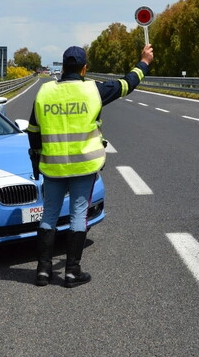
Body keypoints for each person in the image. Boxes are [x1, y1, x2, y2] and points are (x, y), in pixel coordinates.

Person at [27, 44, 154, 287]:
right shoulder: (92, 90)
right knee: (77, 215)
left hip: (52, 167)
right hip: (83, 167)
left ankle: (43, 271)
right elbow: (126, 84)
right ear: (84, 69)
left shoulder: (44, 93)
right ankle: (72, 271)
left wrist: (37, 156)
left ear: (63, 68)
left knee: (48, 216)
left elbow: (33, 131)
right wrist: (144, 63)